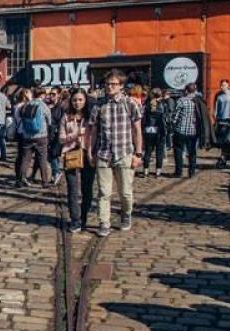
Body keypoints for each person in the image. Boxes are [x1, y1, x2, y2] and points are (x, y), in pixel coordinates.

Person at [86, 71, 143, 236]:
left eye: (113, 84)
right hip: (104, 154)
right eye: (107, 84)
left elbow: (137, 130)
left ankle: (126, 214)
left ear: (121, 86)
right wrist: (90, 152)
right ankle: (104, 222)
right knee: (104, 192)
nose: (110, 87)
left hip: (124, 153)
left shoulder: (130, 104)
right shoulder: (99, 105)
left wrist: (138, 154)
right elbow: (93, 131)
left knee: (125, 192)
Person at [60, 89, 92, 233]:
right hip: (70, 152)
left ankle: (83, 217)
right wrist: (75, 134)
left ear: (85, 100)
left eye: (80, 99)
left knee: (87, 189)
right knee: (72, 189)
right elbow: (61, 138)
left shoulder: (91, 116)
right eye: (74, 100)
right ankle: (75, 220)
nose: (77, 103)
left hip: (87, 153)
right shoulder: (66, 117)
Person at [16, 88, 52, 188]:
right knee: (42, 159)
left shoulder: (26, 104)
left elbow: (20, 116)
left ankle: (20, 180)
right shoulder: (43, 105)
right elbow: (49, 120)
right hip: (41, 136)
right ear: (42, 95)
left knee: (25, 159)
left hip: (27, 135)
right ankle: (44, 181)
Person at [172, 82, 204, 178]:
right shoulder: (198, 101)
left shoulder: (181, 100)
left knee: (178, 150)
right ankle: (192, 171)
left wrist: (173, 124)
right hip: (193, 130)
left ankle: (179, 172)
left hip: (181, 130)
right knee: (192, 152)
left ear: (186, 90)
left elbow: (176, 116)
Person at [141, 89, 168, 177]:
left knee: (148, 151)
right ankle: (158, 172)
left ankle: (145, 171)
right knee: (159, 152)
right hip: (159, 130)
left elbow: (143, 117)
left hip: (148, 129)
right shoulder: (163, 105)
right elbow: (166, 118)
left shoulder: (147, 105)